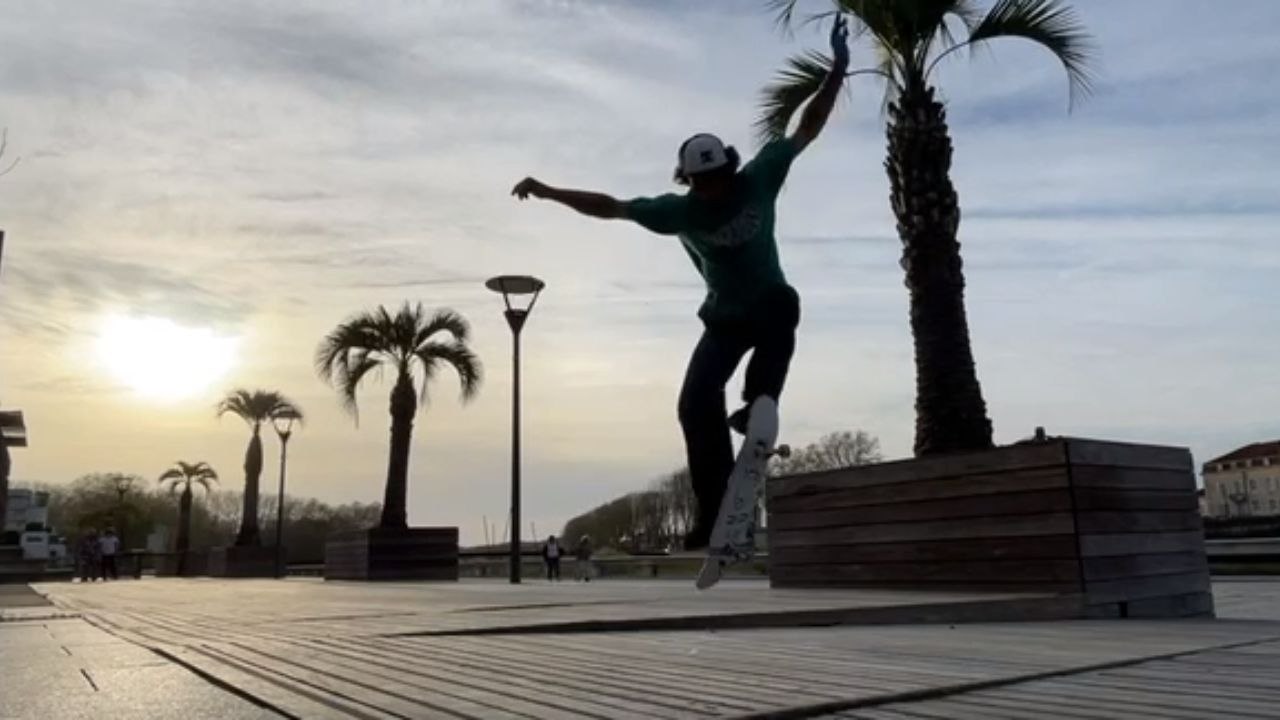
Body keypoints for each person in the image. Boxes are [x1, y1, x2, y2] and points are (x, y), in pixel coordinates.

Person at [512, 18, 850, 551]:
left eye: (717, 180)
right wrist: (549, 191)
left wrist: (837, 71)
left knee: (784, 305)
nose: (711, 192)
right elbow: (611, 207)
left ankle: (758, 406)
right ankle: (714, 514)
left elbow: (808, 127)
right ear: (687, 181)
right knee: (693, 406)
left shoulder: (761, 176)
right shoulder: (676, 211)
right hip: (722, 320)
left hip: (767, 305)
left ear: (729, 170)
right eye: (701, 184)